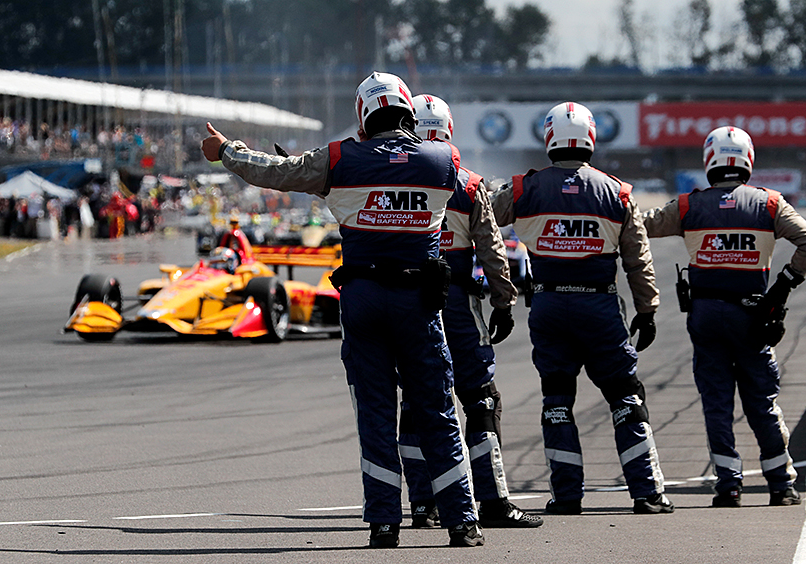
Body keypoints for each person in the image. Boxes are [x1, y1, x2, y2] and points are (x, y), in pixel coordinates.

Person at [202, 72, 484, 548]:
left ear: (363, 114)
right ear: (408, 112)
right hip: (420, 302)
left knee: (375, 411)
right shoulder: (444, 161)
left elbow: (277, 172)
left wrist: (227, 150)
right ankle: (462, 520)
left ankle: (383, 522)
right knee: (436, 408)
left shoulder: (338, 159)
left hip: (364, 299)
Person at [491, 102, 673, 515]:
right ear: (592, 136)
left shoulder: (524, 189)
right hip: (599, 305)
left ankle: (567, 496)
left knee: (556, 400)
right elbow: (637, 259)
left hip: (549, 304)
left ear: (549, 136)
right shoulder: (618, 192)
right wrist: (647, 310)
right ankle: (647, 493)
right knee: (626, 396)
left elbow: (481, 219)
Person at [643, 125, 806, 508]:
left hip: (706, 314)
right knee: (762, 400)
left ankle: (729, 485)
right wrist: (783, 286)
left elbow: (643, 224)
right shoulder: (770, 203)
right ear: (748, 160)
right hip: (752, 314)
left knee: (716, 402)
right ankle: (781, 484)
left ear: (710, 161)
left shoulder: (689, 206)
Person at [397, 94, 542, 529]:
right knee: (480, 400)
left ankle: (423, 505)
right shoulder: (468, 184)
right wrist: (504, 301)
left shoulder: (389, 178)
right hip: (458, 304)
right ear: (448, 131)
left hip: (407, 303)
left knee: (417, 402)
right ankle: (493, 501)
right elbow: (494, 252)